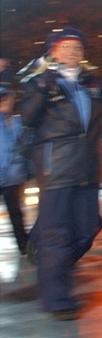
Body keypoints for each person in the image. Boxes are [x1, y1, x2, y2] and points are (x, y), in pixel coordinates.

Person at [18, 27, 102, 319]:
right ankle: (57, 299)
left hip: (88, 169)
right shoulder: (39, 82)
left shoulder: (93, 84)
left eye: (77, 47)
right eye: (65, 47)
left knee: (88, 227)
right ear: (54, 52)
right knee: (58, 234)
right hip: (57, 169)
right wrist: (43, 87)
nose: (72, 52)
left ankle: (47, 258)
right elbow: (28, 117)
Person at [0, 82, 29, 254]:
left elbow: (24, 147)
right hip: (6, 173)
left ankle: (24, 247)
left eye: (7, 98)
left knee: (16, 214)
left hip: (12, 177)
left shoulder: (18, 122)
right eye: (2, 99)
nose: (5, 102)